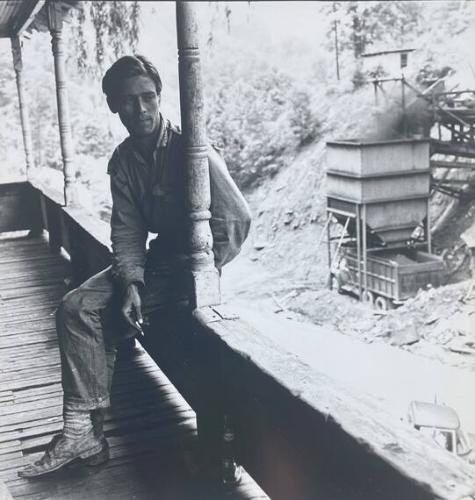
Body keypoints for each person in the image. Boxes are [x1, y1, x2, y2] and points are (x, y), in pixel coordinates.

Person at [19, 55, 251, 477]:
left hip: (191, 268)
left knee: (177, 336)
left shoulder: (190, 150)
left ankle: (214, 449)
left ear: (160, 98)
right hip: (155, 263)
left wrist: (204, 269)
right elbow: (127, 233)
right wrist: (131, 284)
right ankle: (82, 431)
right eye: (128, 102)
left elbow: (236, 219)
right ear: (113, 106)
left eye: (148, 98)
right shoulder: (123, 161)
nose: (140, 110)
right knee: (75, 308)